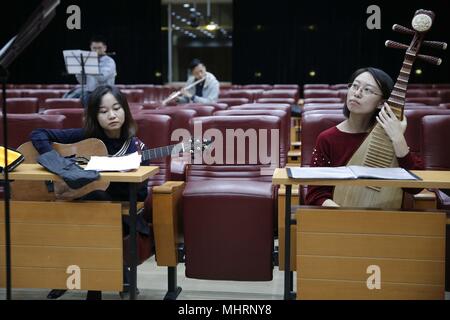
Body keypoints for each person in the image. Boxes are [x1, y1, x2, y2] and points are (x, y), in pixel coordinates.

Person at [31, 85, 150, 300]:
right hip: (77, 205)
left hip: (118, 212)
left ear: (125, 110)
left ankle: (91, 287)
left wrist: (119, 176)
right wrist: (59, 165)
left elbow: (140, 194)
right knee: (73, 212)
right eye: (103, 111)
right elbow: (38, 134)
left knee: (97, 207)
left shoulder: (136, 147)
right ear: (94, 116)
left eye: (116, 108)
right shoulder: (86, 137)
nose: (112, 115)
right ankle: (109, 278)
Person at [305, 67, 423, 207]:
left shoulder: (388, 136)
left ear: (381, 103)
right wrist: (343, 216)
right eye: (354, 86)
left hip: (384, 218)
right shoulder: (327, 138)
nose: (357, 93)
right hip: (337, 217)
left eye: (367, 90)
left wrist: (398, 138)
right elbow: (315, 193)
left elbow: (415, 187)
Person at [64, 35, 117, 107]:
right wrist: (79, 72)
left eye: (99, 48)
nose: (97, 51)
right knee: (68, 96)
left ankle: (89, 117)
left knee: (87, 98)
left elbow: (102, 77)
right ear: (90, 48)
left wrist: (90, 68)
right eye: (94, 48)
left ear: (105, 48)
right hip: (90, 92)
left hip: (105, 92)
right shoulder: (87, 61)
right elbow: (82, 82)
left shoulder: (109, 62)